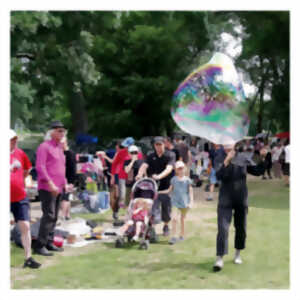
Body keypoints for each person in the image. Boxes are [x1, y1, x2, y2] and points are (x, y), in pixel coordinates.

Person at [212, 144, 266, 272]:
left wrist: (263, 158)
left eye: (230, 144)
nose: (228, 147)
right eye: (225, 145)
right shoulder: (219, 158)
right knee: (223, 228)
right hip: (225, 199)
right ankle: (219, 258)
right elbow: (219, 176)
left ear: (234, 145)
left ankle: (237, 254)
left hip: (241, 198)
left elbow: (257, 171)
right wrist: (227, 161)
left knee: (241, 227)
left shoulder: (243, 157)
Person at [33, 121, 70, 256]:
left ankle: (49, 241)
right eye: (59, 130)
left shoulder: (59, 148)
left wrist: (65, 182)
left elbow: (62, 167)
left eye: (63, 131)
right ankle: (39, 245)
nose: (62, 133)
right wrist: (50, 183)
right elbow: (40, 167)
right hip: (47, 187)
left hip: (59, 187)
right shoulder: (44, 147)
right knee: (48, 215)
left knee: (54, 216)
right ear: (52, 132)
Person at [10, 129, 41, 269]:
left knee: (26, 226)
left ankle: (28, 257)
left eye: (15, 138)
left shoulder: (20, 153)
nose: (14, 141)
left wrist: (20, 180)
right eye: (11, 139)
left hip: (20, 196)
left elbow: (27, 169)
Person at [136, 136, 175, 236]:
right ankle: (152, 229)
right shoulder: (151, 155)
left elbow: (169, 169)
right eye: (156, 145)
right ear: (154, 145)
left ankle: (166, 226)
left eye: (160, 144)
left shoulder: (170, 155)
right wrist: (139, 174)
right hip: (153, 187)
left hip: (166, 187)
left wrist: (159, 176)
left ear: (164, 144)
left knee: (166, 209)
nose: (158, 147)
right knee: (153, 208)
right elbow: (144, 165)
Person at [159, 161, 194, 245]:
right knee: (174, 219)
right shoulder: (173, 180)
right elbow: (169, 190)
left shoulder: (187, 180)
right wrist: (159, 192)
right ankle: (173, 237)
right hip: (175, 202)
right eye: (179, 169)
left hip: (184, 203)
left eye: (182, 168)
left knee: (183, 219)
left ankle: (182, 235)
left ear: (184, 169)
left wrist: (191, 202)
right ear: (176, 170)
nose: (181, 170)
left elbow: (190, 191)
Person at [110, 137, 135, 219]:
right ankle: (116, 210)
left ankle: (131, 214)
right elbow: (114, 164)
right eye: (125, 146)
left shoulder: (137, 153)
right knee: (121, 195)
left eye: (128, 146)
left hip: (133, 177)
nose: (126, 148)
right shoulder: (121, 153)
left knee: (132, 196)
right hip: (122, 176)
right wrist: (113, 176)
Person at [60, 136, 76, 220]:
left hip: (68, 178)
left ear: (66, 143)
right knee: (67, 197)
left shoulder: (70, 153)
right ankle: (67, 214)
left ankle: (62, 215)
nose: (61, 144)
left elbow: (73, 168)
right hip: (60, 178)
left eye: (62, 143)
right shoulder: (59, 153)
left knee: (65, 197)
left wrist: (72, 182)